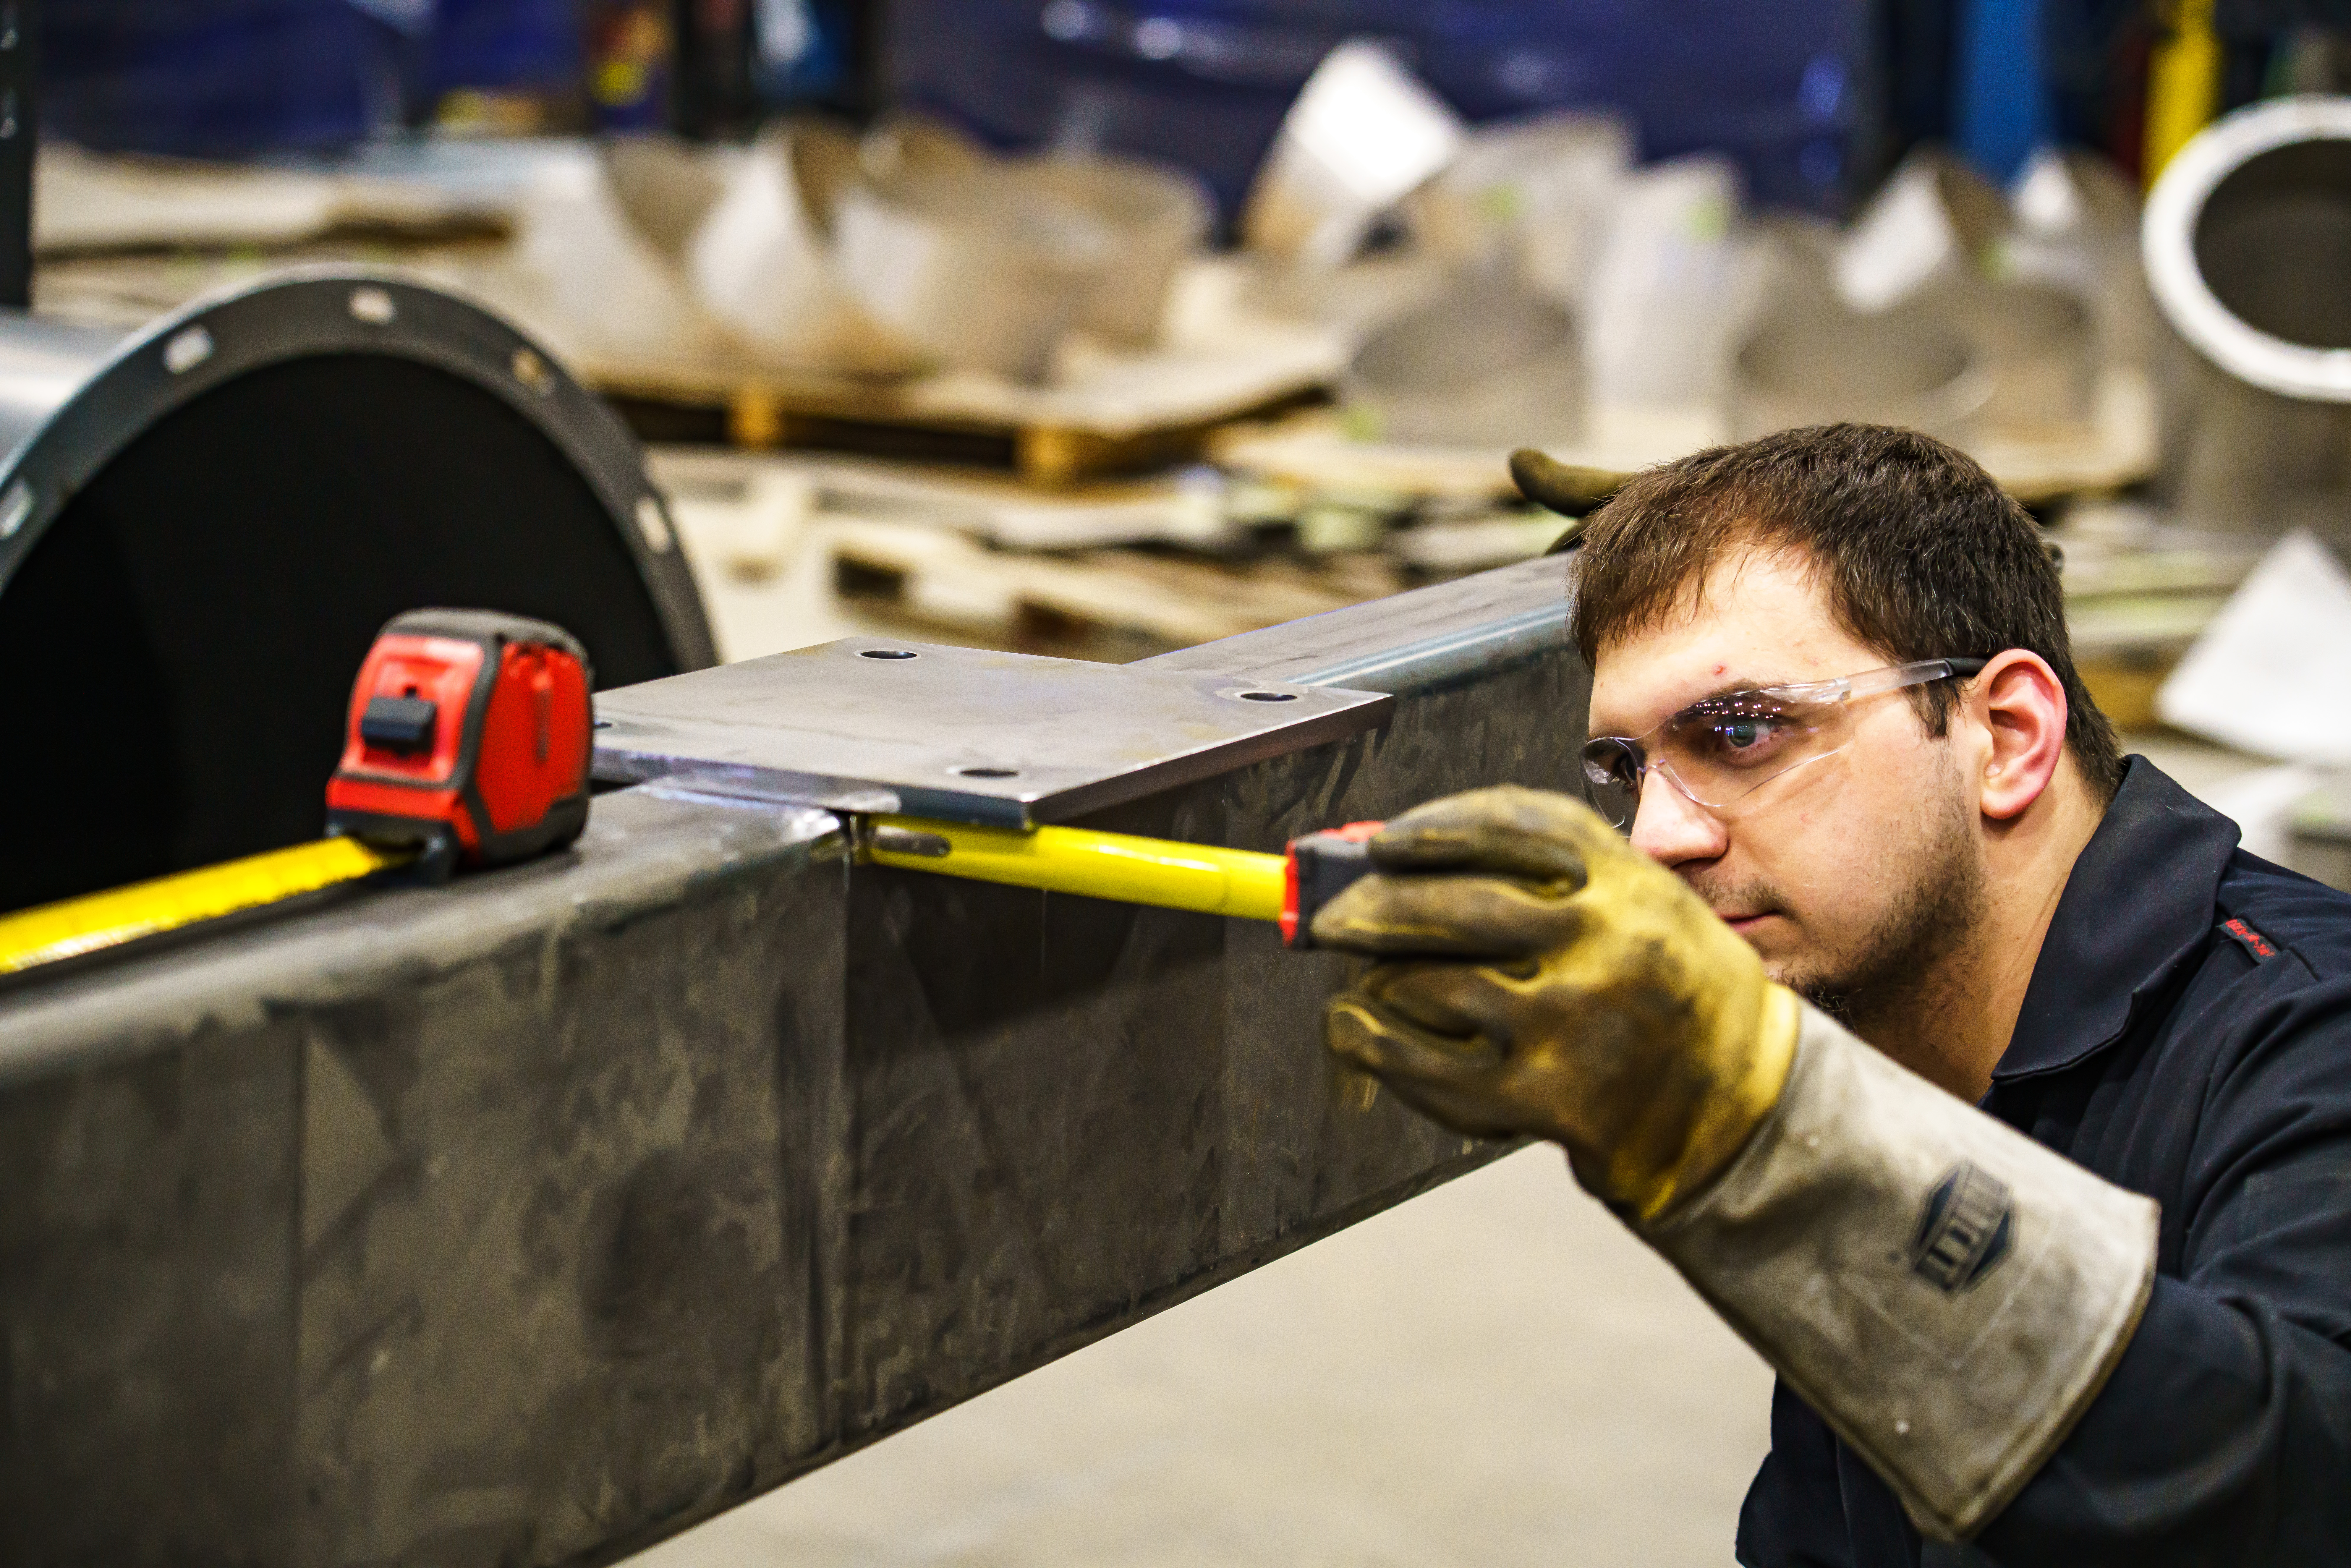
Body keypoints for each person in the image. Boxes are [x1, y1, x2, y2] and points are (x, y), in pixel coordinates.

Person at [1311, 424, 2351, 1566]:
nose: (1655, 837)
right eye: (1625, 768)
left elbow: (2296, 1485)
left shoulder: (2308, 1032)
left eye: (1744, 731)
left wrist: (1763, 1132)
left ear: (2007, 736)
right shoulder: (1893, 1026)